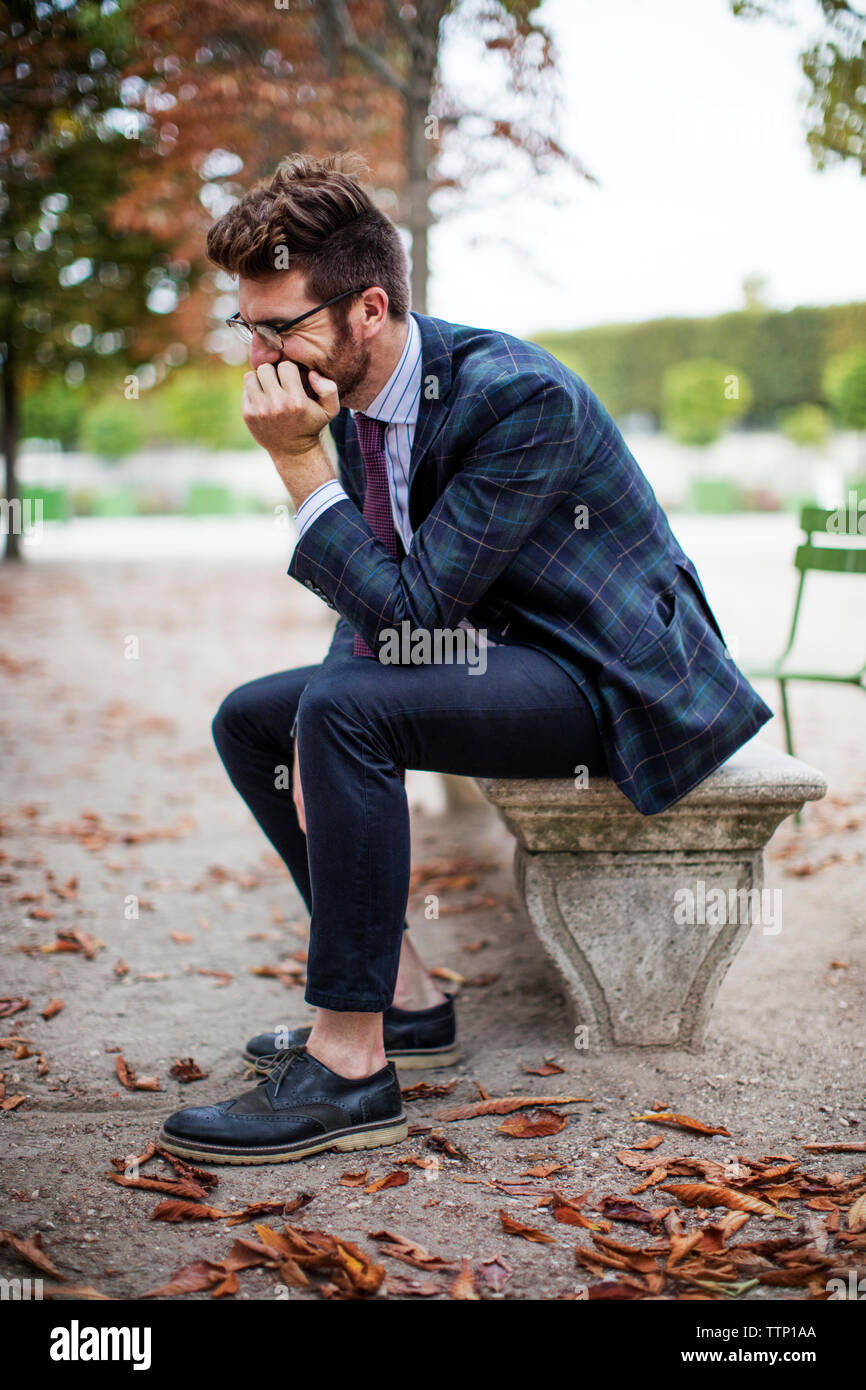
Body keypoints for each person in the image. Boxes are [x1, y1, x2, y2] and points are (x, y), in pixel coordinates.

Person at [159, 153, 772, 1165]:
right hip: (499, 653)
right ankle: (399, 1003)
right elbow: (376, 598)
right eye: (247, 327)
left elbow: (409, 609)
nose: (258, 358)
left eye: (280, 328)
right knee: (258, 717)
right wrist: (322, 717)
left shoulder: (510, 395)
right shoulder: (349, 397)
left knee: (341, 712)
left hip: (611, 676)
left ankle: (349, 1066)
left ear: (367, 308)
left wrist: (293, 464)